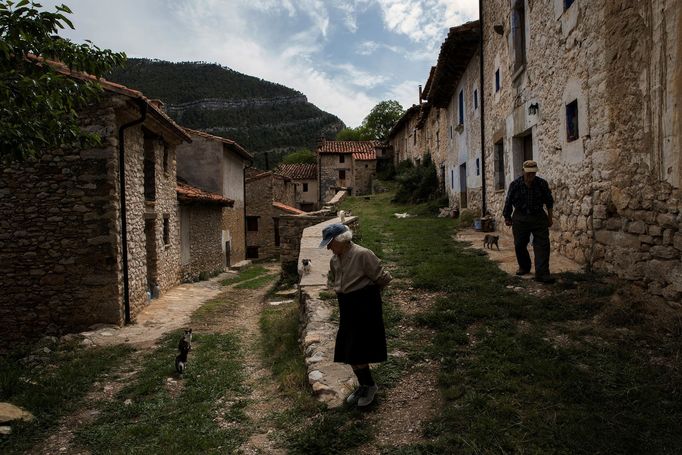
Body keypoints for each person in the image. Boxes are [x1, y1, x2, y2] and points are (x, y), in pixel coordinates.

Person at [320, 223, 392, 407]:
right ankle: (363, 385)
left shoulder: (362, 254)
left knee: (360, 350)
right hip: (347, 305)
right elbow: (337, 279)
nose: (328, 248)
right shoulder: (335, 260)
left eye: (330, 243)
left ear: (341, 240)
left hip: (364, 304)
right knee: (349, 350)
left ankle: (370, 386)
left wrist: (371, 299)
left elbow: (383, 278)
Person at [502, 160, 555, 284]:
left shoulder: (542, 183)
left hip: (538, 217)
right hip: (520, 217)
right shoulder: (515, 184)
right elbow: (508, 201)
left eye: (533, 173)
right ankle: (524, 267)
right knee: (519, 244)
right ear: (523, 171)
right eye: (528, 173)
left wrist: (550, 218)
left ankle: (542, 274)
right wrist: (507, 217)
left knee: (542, 245)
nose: (531, 176)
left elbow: (549, 201)